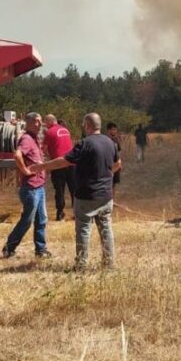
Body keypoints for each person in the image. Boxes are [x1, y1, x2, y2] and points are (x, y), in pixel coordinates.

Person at [33, 113, 120, 271]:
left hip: (86, 196)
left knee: (83, 231)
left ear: (87, 125)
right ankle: (109, 265)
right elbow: (118, 163)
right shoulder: (110, 142)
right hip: (106, 196)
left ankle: (81, 266)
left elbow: (64, 161)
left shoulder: (85, 143)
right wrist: (106, 176)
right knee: (106, 229)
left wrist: (41, 167)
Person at [2, 112, 52, 259]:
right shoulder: (26, 139)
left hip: (39, 187)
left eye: (40, 121)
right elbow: (17, 155)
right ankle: (9, 248)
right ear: (28, 123)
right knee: (27, 221)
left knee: (41, 219)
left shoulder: (35, 139)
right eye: (36, 121)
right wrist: (25, 171)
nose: (39, 124)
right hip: (31, 188)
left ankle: (41, 250)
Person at [42, 114, 76, 221]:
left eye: (45, 122)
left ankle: (60, 214)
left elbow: (43, 149)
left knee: (59, 190)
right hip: (71, 162)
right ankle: (77, 213)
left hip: (58, 164)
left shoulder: (49, 132)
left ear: (49, 122)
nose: (45, 125)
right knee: (74, 189)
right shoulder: (66, 130)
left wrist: (46, 162)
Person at [106, 122, 122, 197]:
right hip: (108, 165)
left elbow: (119, 152)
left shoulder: (116, 140)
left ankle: (112, 200)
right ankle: (107, 199)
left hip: (116, 164)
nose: (115, 131)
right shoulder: (105, 140)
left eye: (115, 130)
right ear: (108, 130)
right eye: (113, 130)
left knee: (114, 183)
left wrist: (120, 164)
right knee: (108, 183)